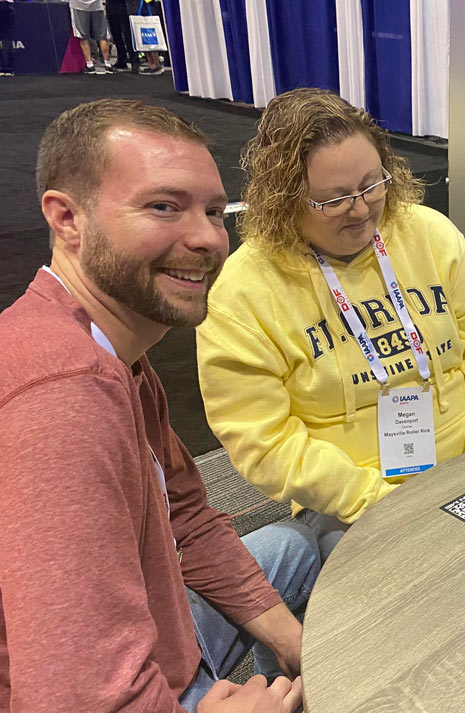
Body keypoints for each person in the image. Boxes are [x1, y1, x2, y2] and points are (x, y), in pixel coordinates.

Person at [0, 99, 321, 712]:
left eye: (212, 211)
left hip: (152, 621)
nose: (205, 238)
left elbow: (190, 520)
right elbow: (72, 699)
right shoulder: (64, 397)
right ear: (67, 218)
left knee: (293, 548)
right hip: (117, 686)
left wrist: (294, 643)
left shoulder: (116, 349)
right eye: (163, 207)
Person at [196, 88, 465, 543]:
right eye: (335, 199)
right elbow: (263, 442)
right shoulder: (243, 293)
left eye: (371, 184)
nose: (363, 208)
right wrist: (378, 501)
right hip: (350, 503)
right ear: (285, 198)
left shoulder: (430, 235)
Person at [69, 0, 114, 75]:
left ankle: (90, 65)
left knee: (83, 36)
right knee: (102, 36)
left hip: (78, 5)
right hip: (96, 6)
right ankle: (108, 64)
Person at [105, 0, 136, 71]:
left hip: (123, 5)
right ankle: (122, 59)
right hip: (111, 6)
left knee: (127, 34)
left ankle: (134, 60)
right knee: (116, 34)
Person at [0, 0, 14, 77]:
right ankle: (8, 69)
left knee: (6, 39)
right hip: (9, 6)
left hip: (5, 6)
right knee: (7, 38)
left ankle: (2, 68)